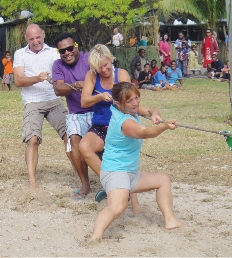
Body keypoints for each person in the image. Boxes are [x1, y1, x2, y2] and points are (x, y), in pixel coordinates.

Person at [90, 81, 186, 241]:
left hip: (130, 173)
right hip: (115, 172)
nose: (135, 103)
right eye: (130, 100)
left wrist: (155, 114)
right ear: (118, 103)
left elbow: (149, 110)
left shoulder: (130, 110)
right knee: (117, 206)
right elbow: (144, 133)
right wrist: (164, 127)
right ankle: (95, 237)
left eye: (136, 98)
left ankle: (170, 220)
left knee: (163, 180)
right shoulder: (124, 121)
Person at [79, 44, 141, 211]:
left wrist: (117, 101)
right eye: (100, 68)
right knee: (84, 147)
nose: (104, 70)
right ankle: (111, 183)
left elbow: (131, 101)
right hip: (100, 125)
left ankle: (130, 197)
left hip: (119, 125)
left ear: (110, 59)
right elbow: (84, 101)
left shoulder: (121, 74)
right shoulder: (91, 76)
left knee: (127, 160)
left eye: (106, 65)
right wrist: (99, 96)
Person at [13, 24, 69, 190]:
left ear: (43, 35)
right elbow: (18, 81)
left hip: (53, 99)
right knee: (32, 139)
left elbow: (62, 74)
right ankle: (32, 182)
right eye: (31, 39)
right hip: (32, 101)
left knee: (70, 136)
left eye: (38, 37)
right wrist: (38, 78)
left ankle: (81, 176)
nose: (35, 41)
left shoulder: (53, 52)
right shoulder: (20, 54)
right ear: (26, 39)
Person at [52, 32, 93, 199]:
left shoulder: (89, 59)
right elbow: (57, 89)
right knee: (74, 141)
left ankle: (111, 182)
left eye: (70, 48)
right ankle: (85, 185)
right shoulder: (57, 65)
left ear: (76, 46)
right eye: (62, 51)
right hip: (76, 113)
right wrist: (75, 86)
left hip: (97, 109)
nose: (67, 53)